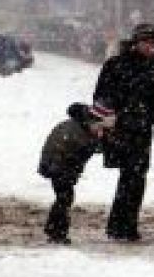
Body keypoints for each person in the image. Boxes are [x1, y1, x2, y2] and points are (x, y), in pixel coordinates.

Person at [93, 23, 154, 242]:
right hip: (119, 131)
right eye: (145, 42)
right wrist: (105, 123)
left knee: (136, 178)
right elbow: (101, 97)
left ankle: (125, 225)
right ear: (135, 42)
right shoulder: (116, 65)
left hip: (142, 132)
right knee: (129, 177)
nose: (150, 47)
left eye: (153, 43)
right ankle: (121, 226)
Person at [38, 102, 116, 244]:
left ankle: (54, 229)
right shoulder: (78, 132)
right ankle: (57, 232)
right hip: (57, 165)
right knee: (65, 197)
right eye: (101, 128)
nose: (102, 132)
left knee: (64, 197)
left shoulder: (83, 125)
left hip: (61, 165)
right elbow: (90, 147)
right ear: (95, 122)